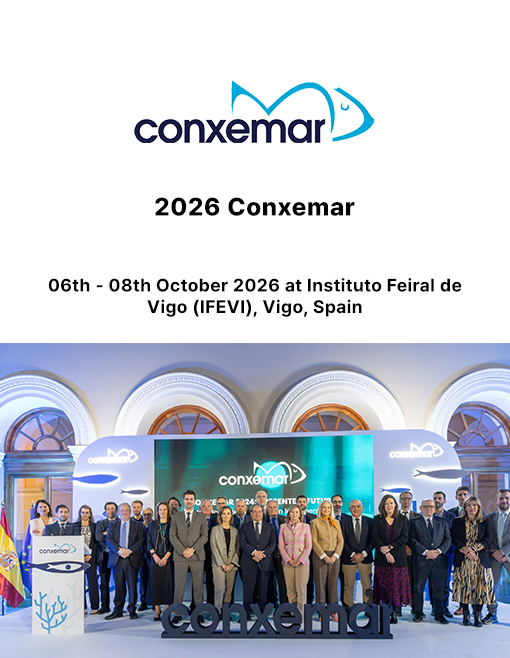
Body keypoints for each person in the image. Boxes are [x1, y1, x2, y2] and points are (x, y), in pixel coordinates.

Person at [451, 496, 494, 627]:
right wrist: (467, 551)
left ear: (478, 507)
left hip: (480, 560)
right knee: (464, 588)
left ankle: (477, 616)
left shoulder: (485, 521)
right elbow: (455, 539)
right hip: (463, 559)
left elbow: (488, 539)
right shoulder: (457, 521)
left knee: (480, 588)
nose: (472, 508)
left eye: (474, 505)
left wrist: (473, 549)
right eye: (469, 505)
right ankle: (465, 615)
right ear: (465, 508)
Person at [409, 499, 451, 624]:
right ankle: (417, 613)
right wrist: (425, 552)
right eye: (426, 506)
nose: (429, 509)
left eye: (431, 507)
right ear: (421, 508)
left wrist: (438, 551)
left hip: (439, 561)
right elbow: (411, 539)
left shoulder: (442, 521)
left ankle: (439, 614)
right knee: (418, 588)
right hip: (421, 560)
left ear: (434, 508)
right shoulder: (414, 522)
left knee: (439, 589)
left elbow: (448, 539)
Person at [372, 494, 411, 624]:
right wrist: (386, 552)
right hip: (382, 559)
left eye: (391, 503)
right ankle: (385, 612)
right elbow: (375, 537)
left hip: (398, 559)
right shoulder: (377, 519)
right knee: (384, 587)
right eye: (386, 503)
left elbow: (404, 537)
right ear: (383, 506)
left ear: (395, 505)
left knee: (396, 587)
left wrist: (390, 547)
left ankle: (395, 612)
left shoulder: (402, 519)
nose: (389, 506)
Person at [170, 489, 208, 614]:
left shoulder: (201, 517)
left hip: (197, 556)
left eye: (191, 499)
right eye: (187, 499)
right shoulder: (176, 517)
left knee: (198, 587)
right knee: (179, 586)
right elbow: (172, 536)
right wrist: (183, 551)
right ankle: (177, 613)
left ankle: (198, 613)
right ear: (183, 500)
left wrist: (193, 549)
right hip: (180, 556)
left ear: (195, 501)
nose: (189, 501)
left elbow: (204, 536)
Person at [105, 502, 144, 620]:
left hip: (131, 559)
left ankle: (132, 610)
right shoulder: (113, 524)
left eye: (126, 510)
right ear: (118, 512)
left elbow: (140, 540)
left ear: (130, 512)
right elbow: (109, 540)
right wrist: (119, 551)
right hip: (117, 560)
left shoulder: (138, 525)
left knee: (132, 587)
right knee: (119, 587)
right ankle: (118, 610)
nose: (124, 512)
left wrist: (129, 551)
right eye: (122, 510)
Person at [239, 503, 276, 619]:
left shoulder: (269, 527)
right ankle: (246, 614)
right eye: (255, 511)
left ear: (263, 513)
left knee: (263, 591)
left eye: (260, 511)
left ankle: (262, 615)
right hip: (249, 562)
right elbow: (242, 543)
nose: (257, 514)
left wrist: (262, 555)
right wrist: (254, 552)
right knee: (248, 591)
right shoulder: (245, 526)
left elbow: (273, 543)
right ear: (251, 513)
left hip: (265, 563)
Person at [311, 500, 343, 617]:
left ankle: (333, 611)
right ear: (320, 509)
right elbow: (314, 541)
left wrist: (335, 555)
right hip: (320, 557)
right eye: (324, 507)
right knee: (320, 584)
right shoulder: (314, 522)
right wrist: (324, 556)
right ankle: (321, 611)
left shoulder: (336, 522)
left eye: (328, 508)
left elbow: (340, 541)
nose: (326, 510)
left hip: (334, 557)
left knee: (333, 584)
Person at [278, 504, 312, 616]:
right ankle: (293, 613)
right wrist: (288, 559)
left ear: (300, 514)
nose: (294, 514)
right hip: (287, 563)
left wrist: (301, 560)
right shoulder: (283, 527)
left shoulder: (305, 527)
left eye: (297, 512)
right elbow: (281, 546)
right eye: (292, 512)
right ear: (288, 514)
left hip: (302, 563)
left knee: (301, 590)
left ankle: (301, 614)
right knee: (290, 590)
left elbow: (308, 546)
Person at [483, 488, 510, 624]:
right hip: (494, 558)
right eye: (501, 498)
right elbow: (486, 537)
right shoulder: (489, 518)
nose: (504, 501)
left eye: (507, 498)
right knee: (491, 586)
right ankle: (491, 614)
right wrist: (496, 552)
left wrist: (503, 552)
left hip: (508, 556)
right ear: (496, 500)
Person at [340, 500, 374, 608]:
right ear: (349, 509)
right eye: (353, 507)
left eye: (358, 506)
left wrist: (363, 554)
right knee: (348, 586)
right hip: (348, 559)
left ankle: (368, 608)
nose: (355, 509)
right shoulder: (343, 522)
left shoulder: (370, 522)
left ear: (362, 508)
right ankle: (349, 608)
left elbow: (373, 540)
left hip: (366, 559)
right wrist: (353, 555)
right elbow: (341, 541)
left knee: (367, 586)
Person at [210, 506, 240, 613]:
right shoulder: (214, 530)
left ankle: (226, 612)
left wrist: (232, 564)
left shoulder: (235, 531)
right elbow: (213, 547)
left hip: (231, 564)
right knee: (220, 589)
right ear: (220, 516)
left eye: (228, 513)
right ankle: (218, 611)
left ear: (231, 515)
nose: (226, 516)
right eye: (224, 513)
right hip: (218, 564)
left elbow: (238, 549)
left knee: (229, 590)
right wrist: (222, 564)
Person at [431, 491, 456, 617]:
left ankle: (445, 606)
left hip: (446, 554)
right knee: (432, 582)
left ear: (444, 501)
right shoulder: (428, 515)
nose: (437, 500)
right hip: (431, 555)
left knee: (445, 582)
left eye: (439, 498)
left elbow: (452, 535)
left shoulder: (451, 516)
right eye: (435, 498)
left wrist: (442, 550)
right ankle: (434, 607)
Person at [147, 501, 173, 621]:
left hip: (168, 558)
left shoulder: (172, 524)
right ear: (157, 511)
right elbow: (148, 540)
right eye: (160, 509)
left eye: (164, 509)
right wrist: (154, 555)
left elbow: (173, 542)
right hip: (155, 558)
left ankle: (166, 608)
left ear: (168, 511)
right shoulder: (153, 524)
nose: (162, 512)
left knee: (167, 584)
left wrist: (166, 557)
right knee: (155, 584)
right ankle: (157, 610)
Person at [76, 504, 100, 615]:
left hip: (91, 557)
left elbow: (96, 542)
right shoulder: (74, 526)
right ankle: (83, 607)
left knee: (92, 581)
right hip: (78, 557)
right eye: (83, 512)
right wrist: (79, 555)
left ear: (90, 514)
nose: (85, 514)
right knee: (80, 582)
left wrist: (90, 554)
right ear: (80, 514)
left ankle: (95, 606)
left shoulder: (94, 526)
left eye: (87, 512)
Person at [398, 491, 419, 616]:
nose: (406, 500)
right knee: (398, 581)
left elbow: (419, 535)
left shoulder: (417, 516)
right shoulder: (394, 516)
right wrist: (403, 548)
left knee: (414, 581)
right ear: (400, 500)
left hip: (414, 554)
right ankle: (397, 608)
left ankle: (414, 608)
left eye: (408, 498)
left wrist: (411, 547)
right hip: (398, 553)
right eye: (404, 498)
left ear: (411, 500)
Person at [95, 501, 118, 614]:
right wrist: (110, 537)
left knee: (119, 582)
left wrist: (107, 534)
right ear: (105, 511)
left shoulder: (121, 522)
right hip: (104, 556)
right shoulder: (100, 523)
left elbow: (120, 539)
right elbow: (98, 537)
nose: (110, 511)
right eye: (108, 509)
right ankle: (105, 606)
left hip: (117, 556)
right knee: (104, 582)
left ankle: (118, 607)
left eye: (112, 508)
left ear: (116, 510)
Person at [265, 500, 288, 607]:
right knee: (268, 581)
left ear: (278, 508)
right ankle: (271, 602)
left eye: (274, 507)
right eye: (270, 507)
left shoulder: (285, 520)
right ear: (266, 509)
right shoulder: (263, 520)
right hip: (267, 555)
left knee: (283, 581)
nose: (272, 509)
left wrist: (280, 550)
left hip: (282, 555)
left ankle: (284, 605)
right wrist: (271, 550)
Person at [296, 494, 316, 603]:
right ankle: (298, 603)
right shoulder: (292, 518)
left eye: (304, 502)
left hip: (310, 553)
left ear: (307, 504)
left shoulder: (313, 518)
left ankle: (309, 603)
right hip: (295, 554)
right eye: (299, 502)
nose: (302, 503)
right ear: (296, 503)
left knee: (309, 579)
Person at [200, 498, 218, 605]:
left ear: (212, 508)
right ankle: (196, 605)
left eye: (208, 506)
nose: (206, 508)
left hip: (213, 555)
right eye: (204, 506)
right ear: (200, 508)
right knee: (197, 582)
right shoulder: (196, 519)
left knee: (211, 581)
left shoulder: (217, 519)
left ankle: (211, 604)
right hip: (198, 554)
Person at [138, 507, 154, 612]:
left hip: (153, 555)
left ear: (152, 515)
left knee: (153, 578)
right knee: (143, 580)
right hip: (142, 555)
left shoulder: (155, 525)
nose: (147, 516)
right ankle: (143, 602)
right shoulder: (139, 526)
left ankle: (153, 601)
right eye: (145, 514)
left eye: (149, 514)